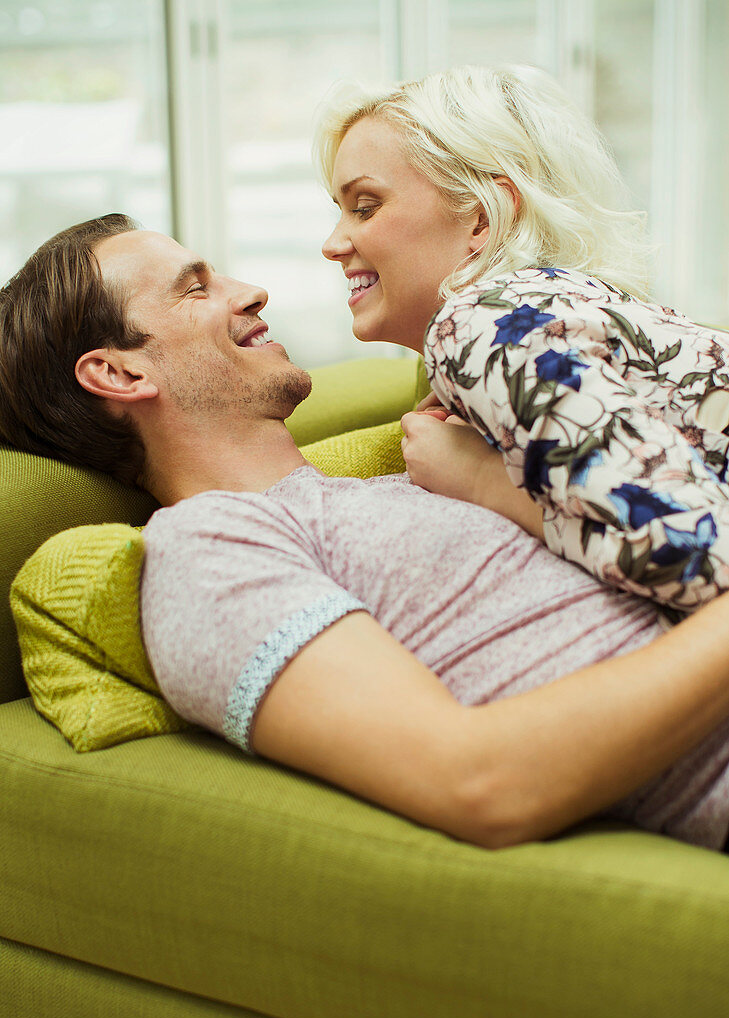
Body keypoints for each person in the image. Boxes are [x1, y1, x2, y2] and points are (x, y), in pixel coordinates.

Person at [3, 215, 729, 854]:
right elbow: (481, 783)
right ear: (117, 372)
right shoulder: (207, 552)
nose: (247, 290)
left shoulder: (422, 471)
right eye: (194, 289)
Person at [316, 64, 729, 614]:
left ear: (482, 218)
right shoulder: (553, 303)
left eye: (365, 207)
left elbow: (699, 555)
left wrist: (482, 480)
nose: (333, 243)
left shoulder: (485, 319)